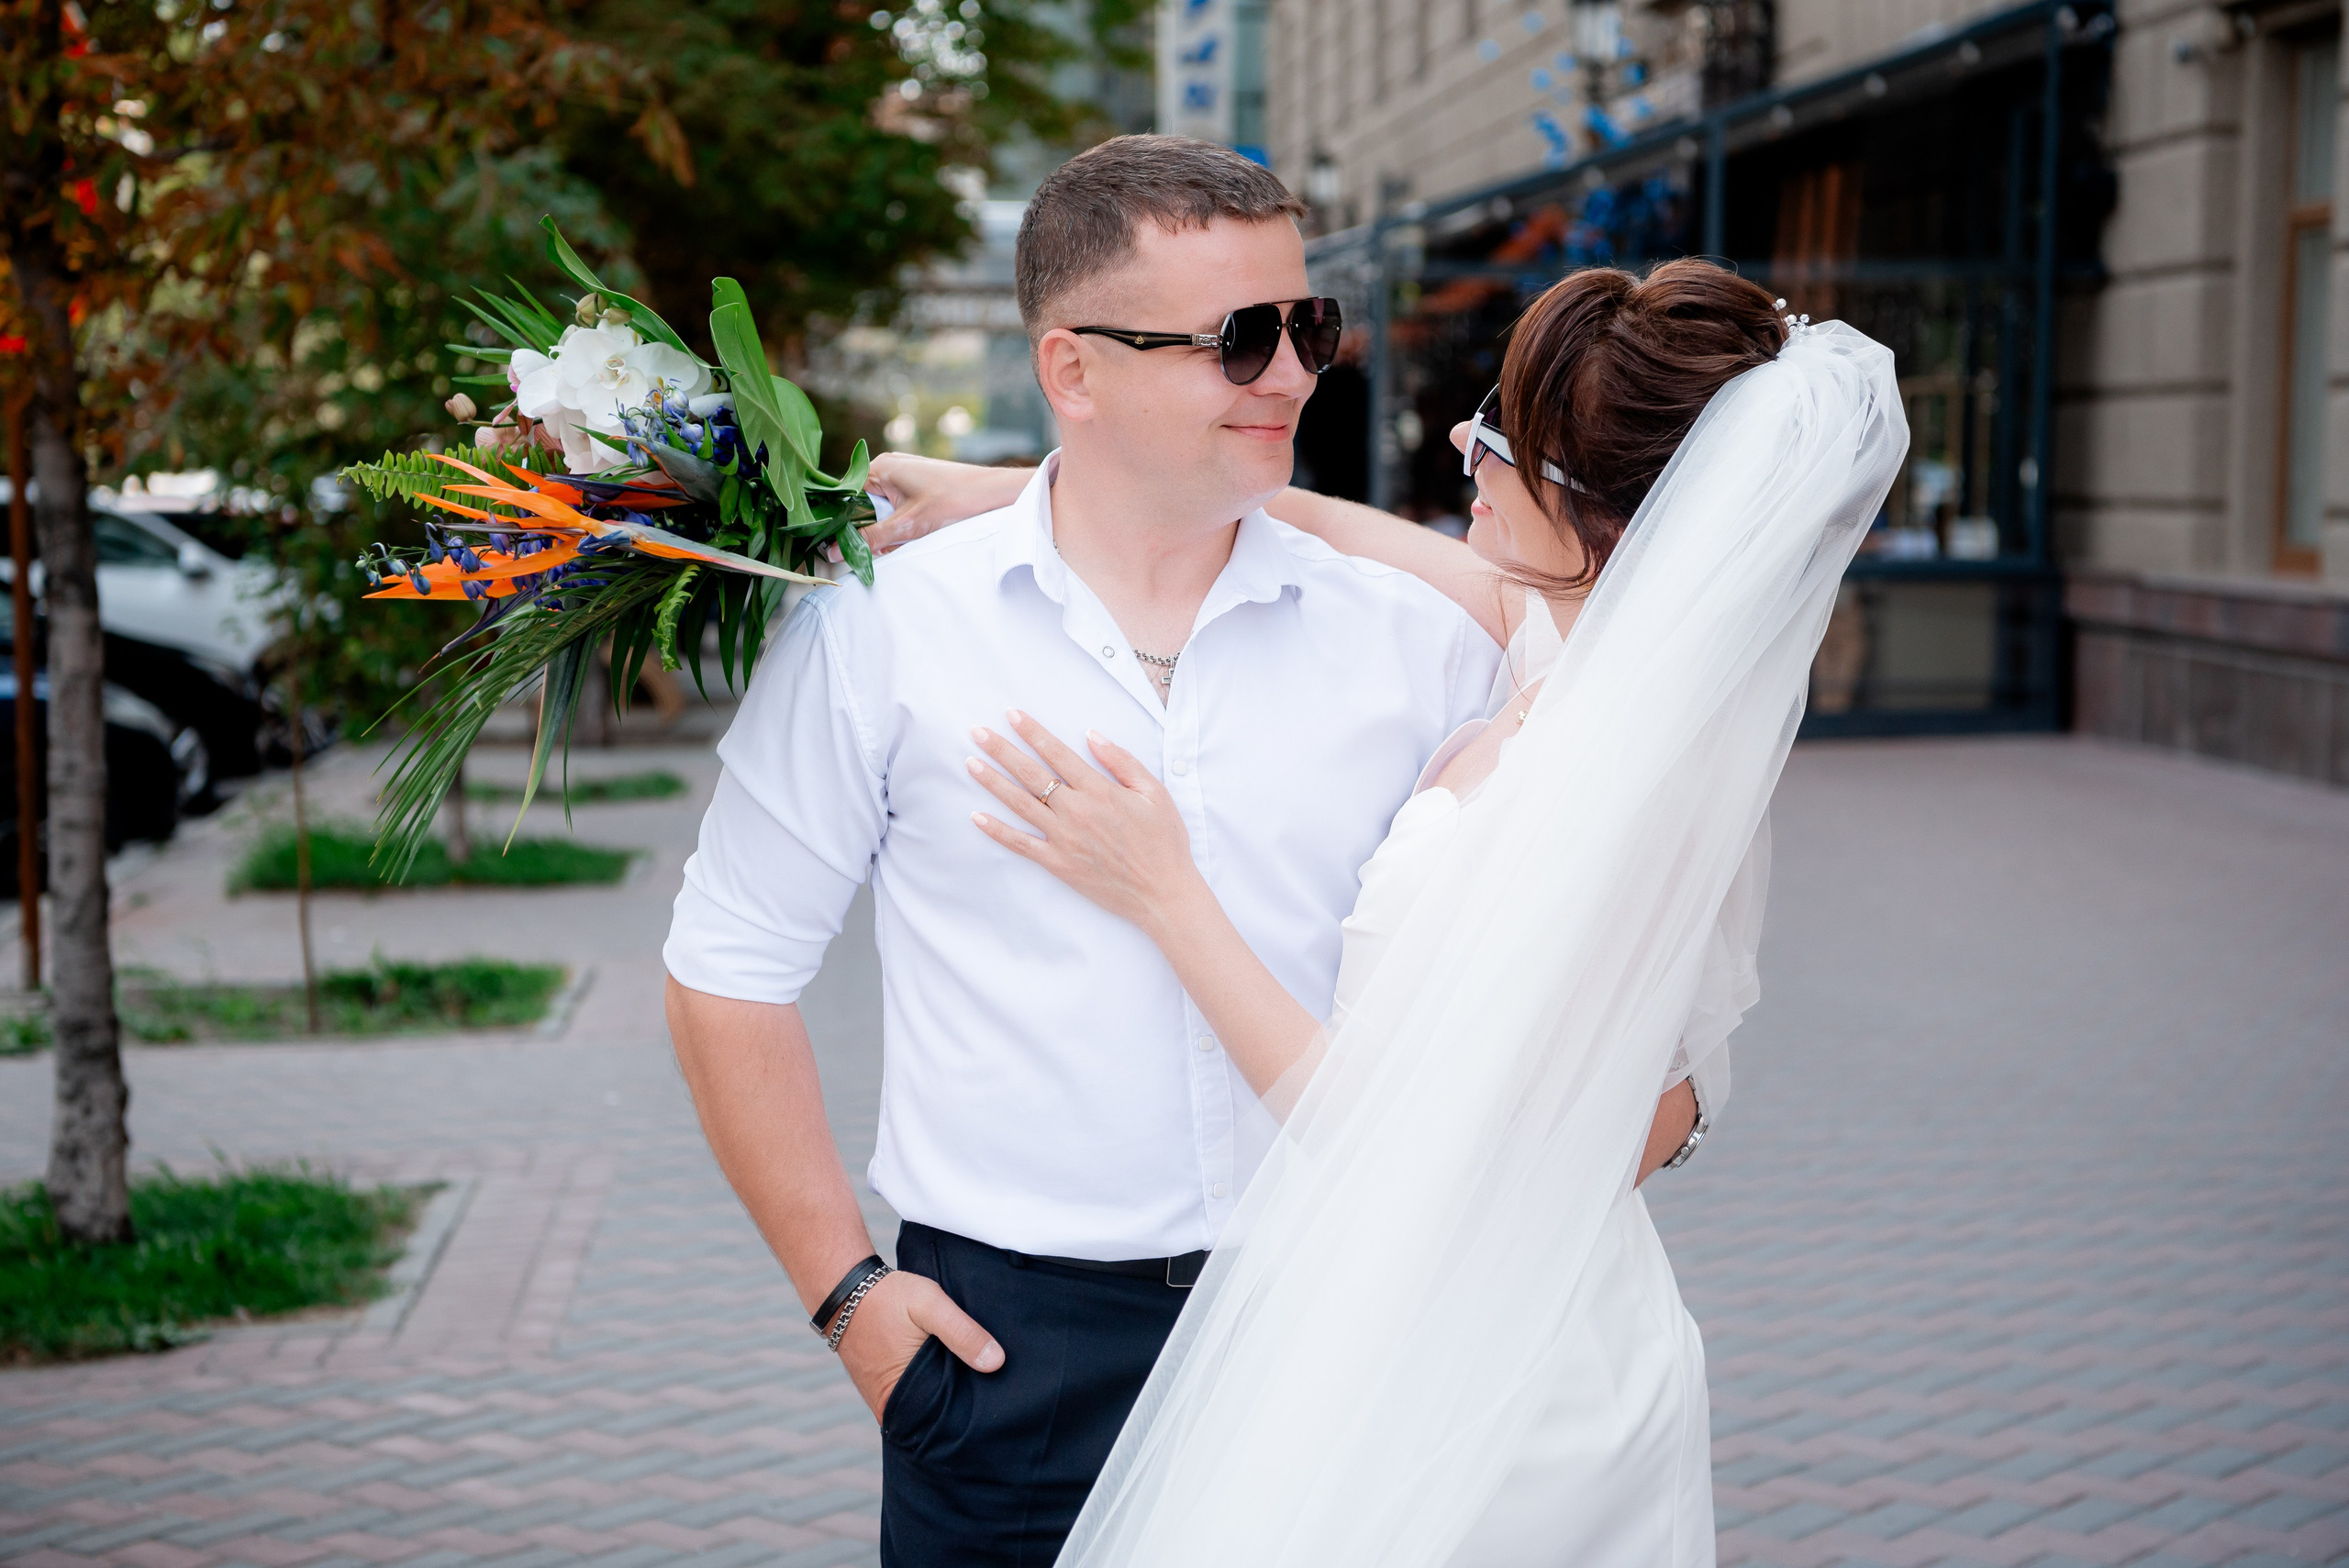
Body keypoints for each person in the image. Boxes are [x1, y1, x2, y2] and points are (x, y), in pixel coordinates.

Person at [661, 133, 1704, 1567]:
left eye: (1308, 327)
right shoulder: (884, 627)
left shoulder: (1425, 643)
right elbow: (727, 965)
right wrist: (850, 1298)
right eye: (1240, 339)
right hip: (1011, 1361)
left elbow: (1617, 1016)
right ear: (1072, 371)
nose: (1291, 373)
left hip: (1348, 1335)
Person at [867, 265, 1905, 1564]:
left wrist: (1162, 890)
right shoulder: (1567, 641)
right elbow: (1337, 526)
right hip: (1410, 1306)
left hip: (1505, 1383)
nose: (1462, 444)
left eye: (1509, 441)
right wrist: (1025, 491)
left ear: (1623, 525)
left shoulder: (1617, 777)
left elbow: (1382, 1129)